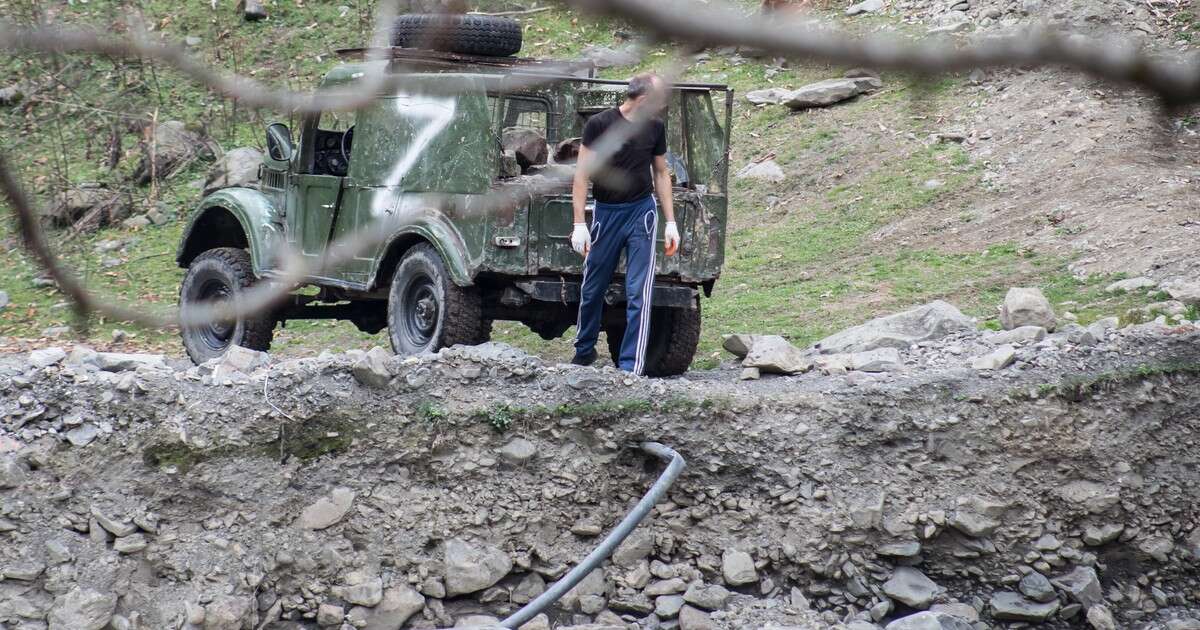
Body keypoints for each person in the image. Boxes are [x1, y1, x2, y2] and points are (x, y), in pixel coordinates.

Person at [569, 72, 681, 375]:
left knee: (638, 291)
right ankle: (583, 351)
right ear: (642, 99)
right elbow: (581, 176)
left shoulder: (655, 127)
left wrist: (670, 221)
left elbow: (660, 172)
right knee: (593, 287)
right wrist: (580, 223)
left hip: (641, 213)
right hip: (606, 213)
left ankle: (631, 368)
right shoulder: (600, 125)